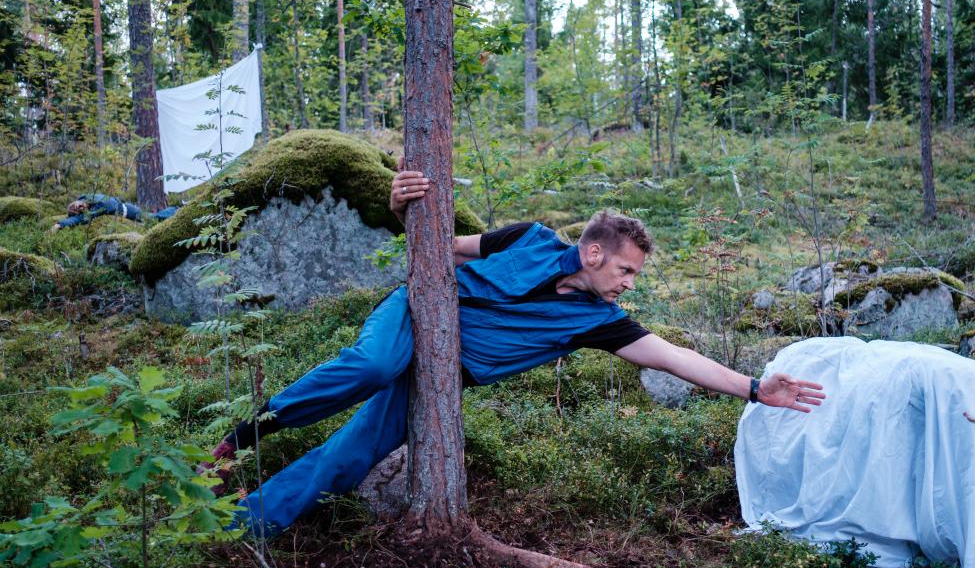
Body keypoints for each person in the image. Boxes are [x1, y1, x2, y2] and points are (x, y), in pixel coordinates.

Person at [208, 168, 827, 536]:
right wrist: (400, 207)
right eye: (627, 270)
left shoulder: (597, 321)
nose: (630, 283)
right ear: (593, 252)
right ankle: (243, 434)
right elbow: (436, 245)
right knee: (372, 364)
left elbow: (672, 357)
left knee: (346, 458)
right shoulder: (526, 239)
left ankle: (241, 526)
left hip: (442, 377)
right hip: (414, 313)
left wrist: (753, 387)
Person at [52, 193, 178, 231]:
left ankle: (176, 210)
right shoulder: (91, 203)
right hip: (127, 210)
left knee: (155, 218)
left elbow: (82, 219)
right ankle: (175, 210)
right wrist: (62, 223)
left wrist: (60, 224)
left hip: (130, 211)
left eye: (77, 205)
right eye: (77, 209)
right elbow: (79, 218)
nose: (79, 207)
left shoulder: (96, 202)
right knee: (155, 218)